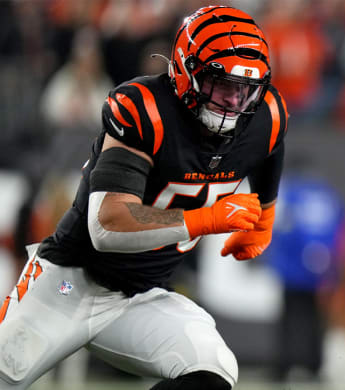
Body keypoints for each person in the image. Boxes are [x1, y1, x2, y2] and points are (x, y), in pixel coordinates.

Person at [0, 5, 288, 390]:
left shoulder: (266, 113)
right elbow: (107, 224)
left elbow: (271, 144)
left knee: (212, 371)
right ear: (186, 71)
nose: (233, 103)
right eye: (220, 86)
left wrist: (265, 215)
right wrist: (208, 219)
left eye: (243, 90)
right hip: (68, 283)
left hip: (141, 298)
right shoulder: (145, 108)